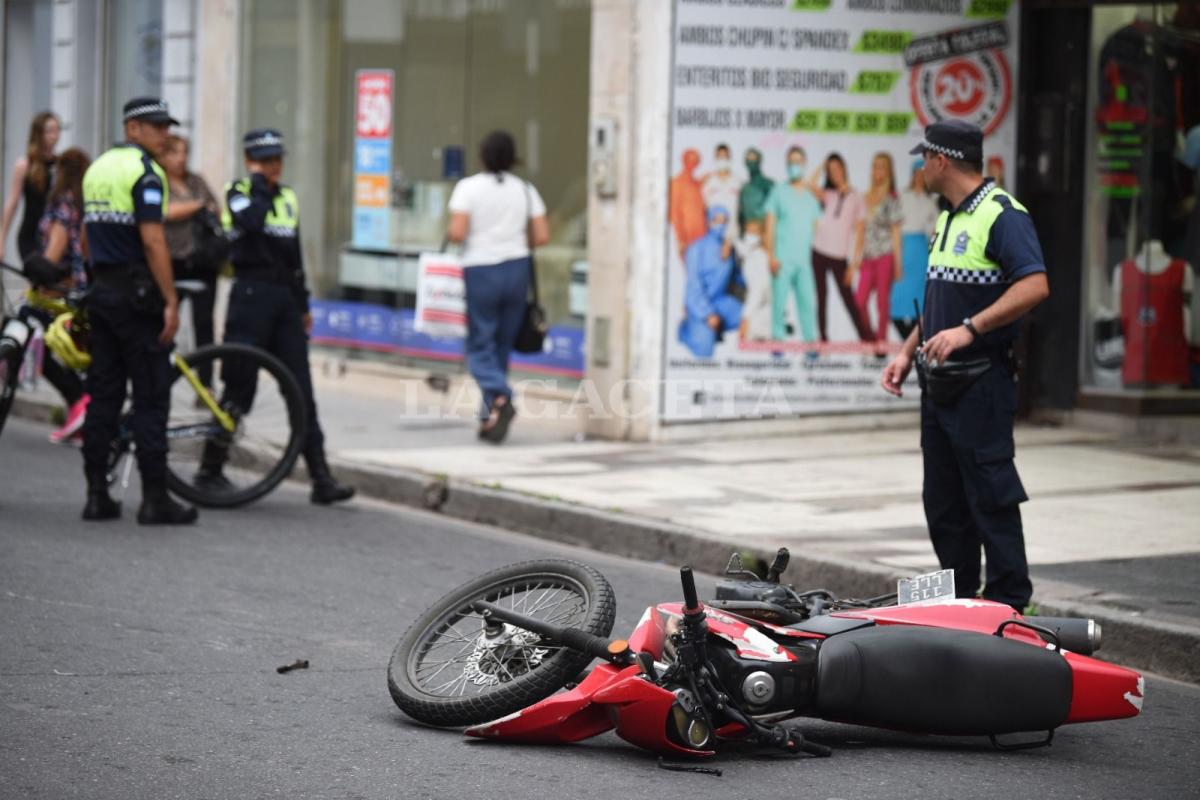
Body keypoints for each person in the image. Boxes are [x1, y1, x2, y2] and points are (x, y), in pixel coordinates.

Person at [880, 120, 1050, 612]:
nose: (920, 168)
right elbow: (939, 298)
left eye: (923, 158)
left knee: (990, 495)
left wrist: (970, 328)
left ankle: (1009, 604)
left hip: (982, 382)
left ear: (942, 161)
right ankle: (959, 604)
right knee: (945, 503)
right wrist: (907, 350)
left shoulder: (1002, 215)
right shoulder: (950, 216)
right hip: (939, 387)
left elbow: (1035, 285)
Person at [206, 129, 355, 503]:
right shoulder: (238, 191)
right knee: (240, 386)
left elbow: (294, 256)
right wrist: (259, 184)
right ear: (249, 160)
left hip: (284, 300)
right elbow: (252, 223)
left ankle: (321, 479)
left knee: (300, 389)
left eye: (277, 159)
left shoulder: (288, 196)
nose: (274, 166)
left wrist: (304, 304)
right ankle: (210, 468)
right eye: (265, 159)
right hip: (249, 296)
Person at [80, 97, 196, 525]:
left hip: (104, 294)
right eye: (155, 126)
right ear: (133, 128)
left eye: (166, 125)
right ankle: (155, 499)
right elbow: (153, 241)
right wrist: (169, 300)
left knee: (104, 395)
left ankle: (96, 494)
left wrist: (94, 278)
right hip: (138, 299)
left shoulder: (98, 169)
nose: (163, 133)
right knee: (150, 397)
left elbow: (85, 235)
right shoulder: (146, 174)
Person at [446, 130, 550, 444]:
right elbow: (542, 235)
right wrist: (514, 242)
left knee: (479, 346)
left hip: (481, 270)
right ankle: (490, 417)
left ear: (482, 156)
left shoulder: (468, 188)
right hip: (517, 270)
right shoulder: (525, 190)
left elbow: (457, 232)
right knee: (502, 346)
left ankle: (502, 394)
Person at [36, 147, 91, 443]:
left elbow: (54, 251)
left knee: (38, 344)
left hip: (59, 289)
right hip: (81, 287)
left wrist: (41, 276)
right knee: (76, 351)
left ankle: (77, 401)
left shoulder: (62, 203)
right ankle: (80, 414)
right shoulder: (86, 202)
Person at [157, 134, 220, 386]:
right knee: (166, 322)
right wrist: (197, 205)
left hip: (203, 261)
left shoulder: (195, 181)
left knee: (204, 325)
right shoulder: (159, 182)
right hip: (173, 261)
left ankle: (206, 384)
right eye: (175, 152)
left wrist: (200, 205)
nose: (181, 158)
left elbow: (215, 207)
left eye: (184, 152)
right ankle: (159, 379)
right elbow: (166, 211)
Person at [763, 146, 821, 343]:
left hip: (804, 261)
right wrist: (771, 256)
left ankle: (810, 345)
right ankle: (777, 342)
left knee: (807, 304)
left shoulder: (810, 198)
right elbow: (770, 226)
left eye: (797, 162)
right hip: (782, 259)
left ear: (804, 164)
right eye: (790, 162)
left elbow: (818, 227)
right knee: (779, 304)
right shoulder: (778, 192)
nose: (793, 166)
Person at [813, 153, 871, 342]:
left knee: (848, 300)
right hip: (818, 252)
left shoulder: (856, 197)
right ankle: (823, 339)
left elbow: (860, 233)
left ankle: (865, 339)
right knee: (821, 298)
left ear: (844, 168)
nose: (835, 173)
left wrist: (854, 265)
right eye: (831, 171)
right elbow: (808, 185)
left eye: (837, 168)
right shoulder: (828, 194)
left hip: (839, 256)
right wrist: (822, 166)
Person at [849, 152, 902, 349]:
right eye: (875, 166)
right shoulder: (864, 197)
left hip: (885, 256)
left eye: (882, 167)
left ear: (888, 171)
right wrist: (856, 259)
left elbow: (896, 233)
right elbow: (860, 232)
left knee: (882, 303)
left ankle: (881, 342)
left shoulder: (892, 199)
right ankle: (869, 337)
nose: (878, 170)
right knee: (859, 301)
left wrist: (897, 263)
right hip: (867, 257)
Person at [678, 206, 742, 358]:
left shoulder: (728, 249)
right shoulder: (696, 249)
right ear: (709, 221)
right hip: (699, 304)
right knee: (705, 352)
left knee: (748, 316)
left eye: (724, 221)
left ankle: (716, 329)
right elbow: (693, 288)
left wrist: (730, 256)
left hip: (719, 301)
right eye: (716, 220)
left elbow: (737, 280)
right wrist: (707, 314)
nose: (720, 224)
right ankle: (684, 330)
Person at [1, 111, 60, 265]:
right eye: (50, 131)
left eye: (57, 130)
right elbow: (12, 202)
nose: (54, 135)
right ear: (39, 133)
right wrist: (2, 237)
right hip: (30, 235)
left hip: (52, 236)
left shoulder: (60, 165)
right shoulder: (25, 164)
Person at [891, 159, 939, 340]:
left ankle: (914, 340)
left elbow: (934, 229)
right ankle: (907, 340)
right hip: (904, 246)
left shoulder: (929, 201)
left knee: (918, 297)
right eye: (916, 174)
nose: (919, 178)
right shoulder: (902, 196)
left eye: (922, 174)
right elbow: (894, 225)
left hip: (921, 249)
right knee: (898, 296)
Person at [737, 219, 772, 342]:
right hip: (759, 301)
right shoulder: (749, 251)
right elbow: (740, 245)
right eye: (748, 231)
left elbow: (757, 291)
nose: (749, 235)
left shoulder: (760, 256)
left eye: (754, 232)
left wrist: (745, 319)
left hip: (767, 304)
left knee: (753, 327)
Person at [670, 148, 706, 260]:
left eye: (695, 161)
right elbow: (674, 213)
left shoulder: (696, 184)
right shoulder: (677, 183)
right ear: (683, 161)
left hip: (702, 234)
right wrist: (681, 239)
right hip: (687, 236)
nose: (692, 164)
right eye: (689, 160)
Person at [702, 143, 740, 242]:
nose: (722, 160)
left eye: (725, 157)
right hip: (713, 235)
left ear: (730, 159)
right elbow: (703, 208)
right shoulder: (708, 182)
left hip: (734, 235)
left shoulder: (739, 182)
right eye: (720, 157)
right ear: (715, 159)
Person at [738, 147, 773, 233]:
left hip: (764, 233)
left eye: (754, 159)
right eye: (748, 160)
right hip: (748, 236)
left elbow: (774, 213)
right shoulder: (744, 189)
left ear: (759, 161)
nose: (751, 162)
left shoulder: (769, 185)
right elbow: (741, 216)